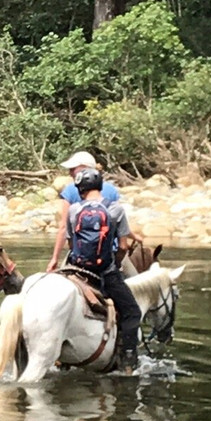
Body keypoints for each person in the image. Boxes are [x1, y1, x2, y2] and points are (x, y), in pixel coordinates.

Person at [64, 167, 141, 373]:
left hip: (77, 270)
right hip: (105, 273)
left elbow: (71, 244)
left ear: (80, 189)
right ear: (100, 186)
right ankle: (128, 360)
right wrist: (113, 264)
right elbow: (124, 247)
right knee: (132, 311)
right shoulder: (115, 209)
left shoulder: (73, 210)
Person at [46, 150, 122, 273]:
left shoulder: (70, 191)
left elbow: (63, 228)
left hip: (81, 256)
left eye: (73, 169)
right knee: (133, 283)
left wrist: (55, 258)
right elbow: (119, 225)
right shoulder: (111, 190)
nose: (70, 173)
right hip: (109, 255)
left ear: (85, 168)